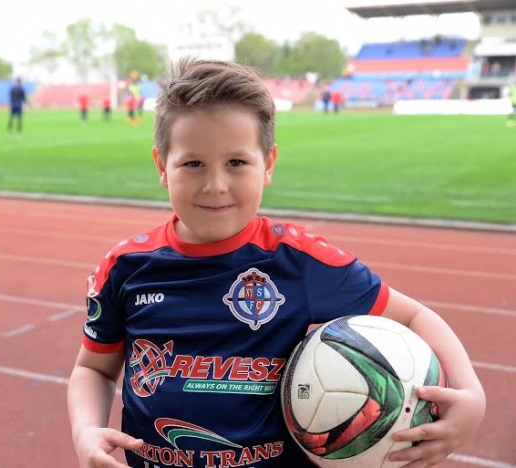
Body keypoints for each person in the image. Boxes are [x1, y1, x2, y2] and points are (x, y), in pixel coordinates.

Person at [67, 58, 486, 468]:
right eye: (193, 164)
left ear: (267, 165)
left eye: (236, 162)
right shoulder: (126, 268)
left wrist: (471, 396)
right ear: (163, 167)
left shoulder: (300, 262)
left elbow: (413, 316)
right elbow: (94, 369)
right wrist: (86, 430)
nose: (215, 185)